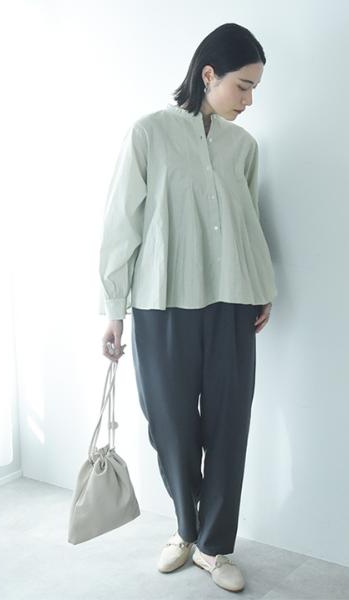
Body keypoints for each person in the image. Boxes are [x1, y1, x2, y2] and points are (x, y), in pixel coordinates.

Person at [98, 23, 277, 593]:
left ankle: (214, 546)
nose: (249, 101)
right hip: (161, 303)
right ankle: (186, 528)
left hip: (232, 302)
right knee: (171, 426)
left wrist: (262, 286)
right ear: (209, 74)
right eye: (243, 86)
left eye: (254, 89)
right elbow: (121, 224)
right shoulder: (149, 134)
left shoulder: (244, 147)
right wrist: (114, 308)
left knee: (229, 425)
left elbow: (250, 223)